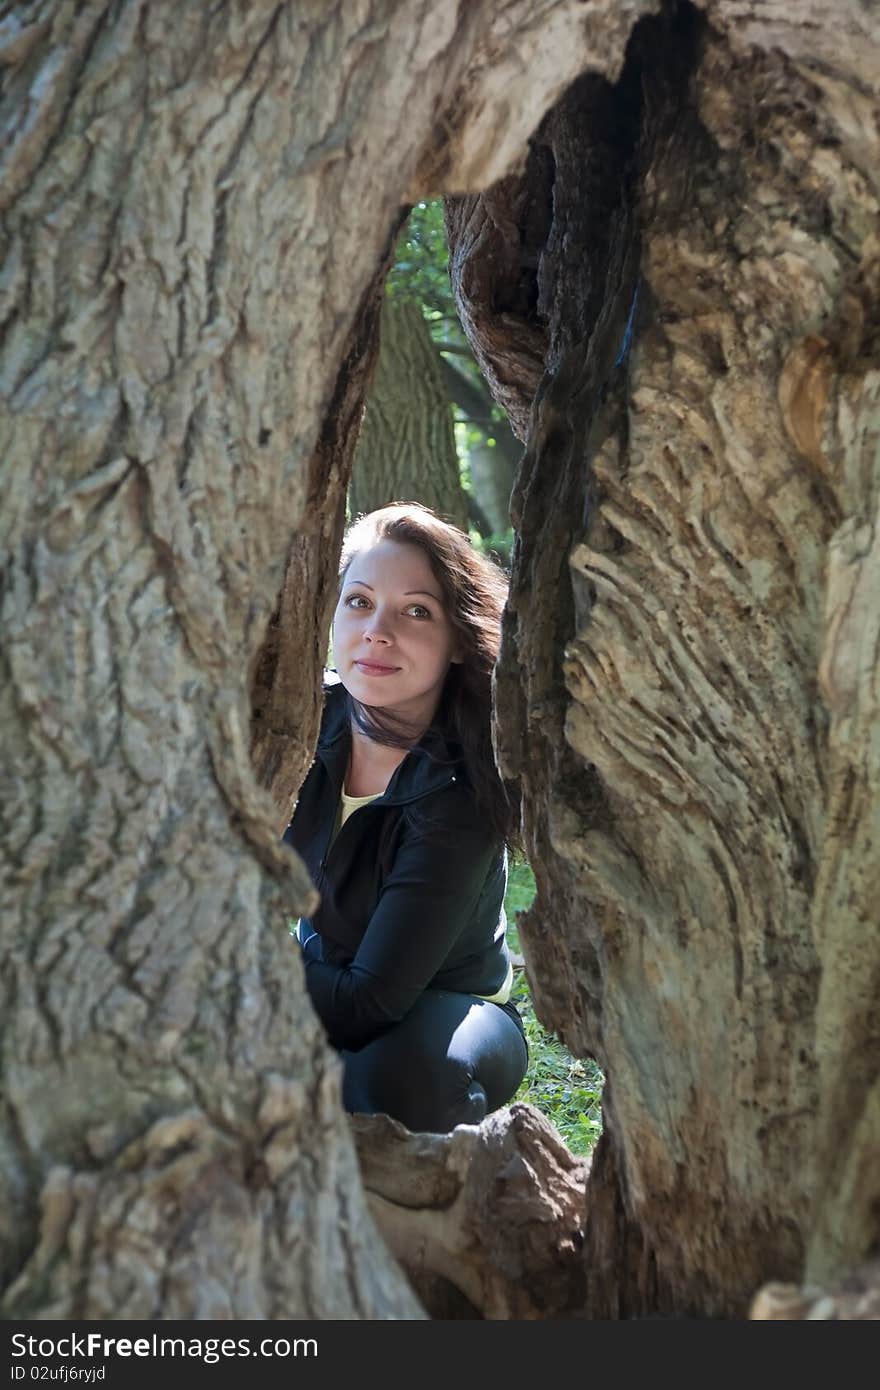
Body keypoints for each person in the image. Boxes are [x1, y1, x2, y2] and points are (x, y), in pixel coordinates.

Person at [283, 501, 528, 1133]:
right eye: (358, 601)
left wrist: (235, 966)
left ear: (456, 640)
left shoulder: (461, 788)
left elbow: (372, 1003)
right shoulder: (295, 724)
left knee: (393, 1083)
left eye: (416, 611)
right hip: (319, 972)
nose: (378, 631)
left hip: (449, 1010)